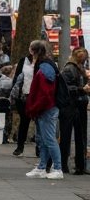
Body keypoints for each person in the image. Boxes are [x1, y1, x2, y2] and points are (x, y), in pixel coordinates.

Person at [25, 40, 64, 179]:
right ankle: (43, 166)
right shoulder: (47, 65)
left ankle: (57, 167)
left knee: (48, 139)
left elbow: (45, 92)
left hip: (46, 108)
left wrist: (36, 107)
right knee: (43, 139)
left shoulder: (44, 67)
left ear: (33, 51)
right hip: (46, 107)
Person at [60, 48, 89, 174]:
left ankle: (79, 165)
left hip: (79, 105)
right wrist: (82, 89)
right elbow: (66, 88)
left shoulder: (78, 68)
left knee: (79, 136)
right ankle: (64, 164)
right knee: (68, 136)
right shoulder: (70, 69)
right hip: (71, 106)